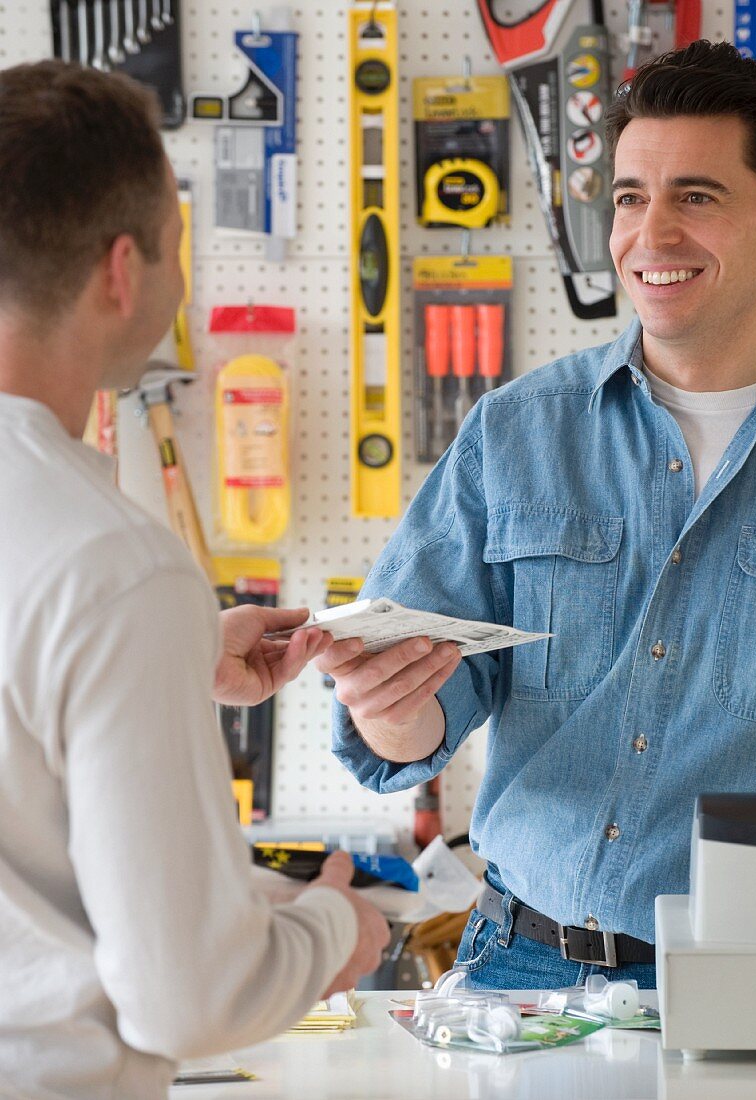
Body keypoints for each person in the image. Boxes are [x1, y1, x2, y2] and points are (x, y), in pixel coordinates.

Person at [325, 40, 756, 992]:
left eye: (696, 197)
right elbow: (423, 714)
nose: (648, 235)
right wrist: (390, 713)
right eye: (630, 197)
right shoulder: (515, 432)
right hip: (517, 973)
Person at [0, 61, 388, 1100]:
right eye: (181, 247)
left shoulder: (105, 583)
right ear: (122, 272)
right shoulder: (112, 563)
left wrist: (164, 665)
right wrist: (334, 928)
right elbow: (189, 996)